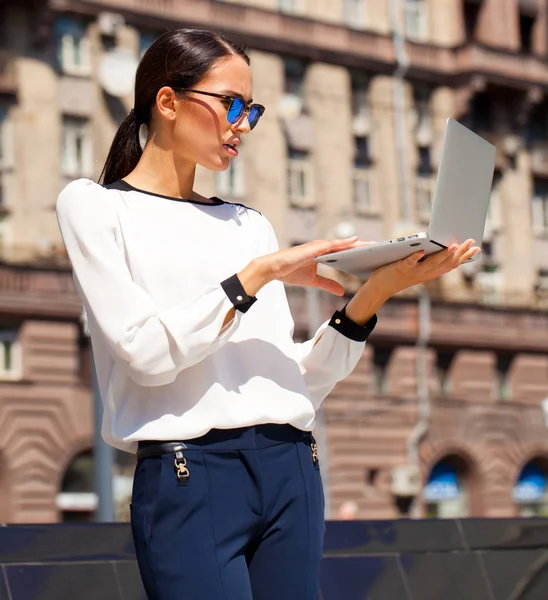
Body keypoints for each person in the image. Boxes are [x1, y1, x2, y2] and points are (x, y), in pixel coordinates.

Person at [56, 28, 479, 600]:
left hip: (292, 470)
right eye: (231, 104)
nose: (242, 125)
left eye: (250, 109)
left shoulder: (248, 223)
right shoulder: (96, 206)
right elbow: (146, 355)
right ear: (168, 101)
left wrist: (377, 292)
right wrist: (256, 276)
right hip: (189, 475)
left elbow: (295, 381)